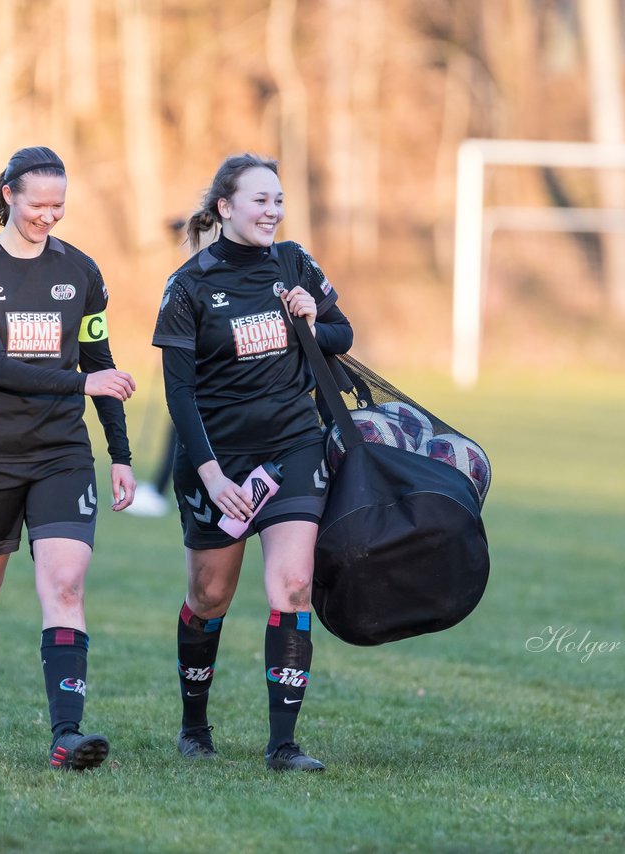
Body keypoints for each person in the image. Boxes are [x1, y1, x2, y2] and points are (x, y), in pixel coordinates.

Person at [152, 153, 353, 772]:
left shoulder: (294, 264)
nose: (273, 211)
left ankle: (283, 744)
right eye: (260, 200)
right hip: (218, 462)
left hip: (293, 445)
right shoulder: (189, 285)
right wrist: (211, 476)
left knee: (293, 586)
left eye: (278, 200)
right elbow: (179, 393)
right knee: (210, 596)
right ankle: (194, 724)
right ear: (225, 208)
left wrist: (313, 320)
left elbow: (343, 336)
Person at [0, 146, 138, 771]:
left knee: (66, 584)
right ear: (8, 195)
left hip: (61, 454)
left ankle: (67, 735)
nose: (49, 216)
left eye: (59, 206)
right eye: (38, 204)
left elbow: (100, 365)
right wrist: (79, 385)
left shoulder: (82, 273)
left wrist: (121, 454)